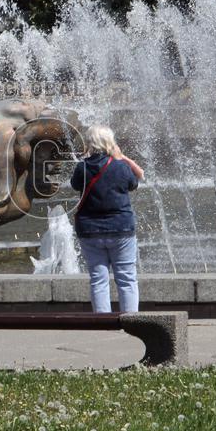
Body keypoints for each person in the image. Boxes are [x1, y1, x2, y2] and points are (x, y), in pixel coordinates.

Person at [70, 125, 145, 313]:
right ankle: (132, 321)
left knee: (98, 279)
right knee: (127, 278)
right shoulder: (120, 167)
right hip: (121, 229)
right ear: (110, 143)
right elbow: (137, 179)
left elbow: (74, 185)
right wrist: (122, 157)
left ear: (89, 143)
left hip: (89, 231)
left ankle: (102, 322)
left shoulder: (82, 168)